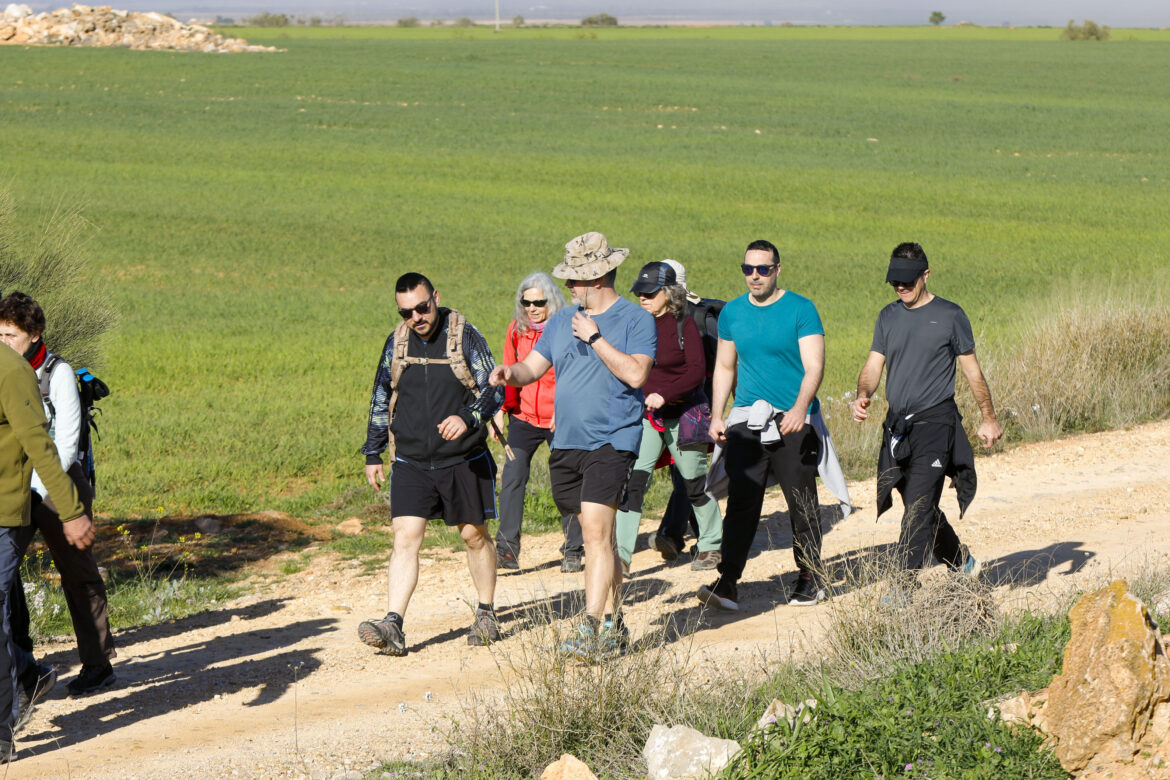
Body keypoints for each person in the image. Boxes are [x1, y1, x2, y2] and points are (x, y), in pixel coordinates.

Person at [490, 232, 655, 657]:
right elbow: (532, 367)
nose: (568, 289)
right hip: (567, 445)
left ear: (597, 278)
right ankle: (615, 621)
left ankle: (589, 626)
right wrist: (509, 373)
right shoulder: (562, 323)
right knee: (599, 538)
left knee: (597, 536)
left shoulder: (636, 320)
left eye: (574, 281)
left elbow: (637, 376)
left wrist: (597, 338)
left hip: (613, 440)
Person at [357, 273, 504, 657]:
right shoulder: (398, 342)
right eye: (406, 312)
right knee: (405, 538)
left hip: (462, 458)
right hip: (411, 459)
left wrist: (469, 417)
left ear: (436, 297)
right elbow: (380, 395)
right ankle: (393, 623)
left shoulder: (464, 336)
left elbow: (495, 387)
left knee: (473, 536)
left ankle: (486, 612)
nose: (417, 317)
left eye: (423, 307)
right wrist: (373, 452)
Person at [850, 242, 1003, 578]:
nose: (901, 287)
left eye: (908, 281)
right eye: (895, 282)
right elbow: (874, 364)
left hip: (937, 422)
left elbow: (972, 371)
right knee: (920, 505)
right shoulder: (888, 317)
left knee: (917, 506)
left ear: (926, 275)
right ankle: (963, 563)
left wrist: (988, 418)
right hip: (899, 428)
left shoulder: (950, 316)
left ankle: (903, 584)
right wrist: (864, 394)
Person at [700, 239, 828, 612]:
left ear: (777, 270)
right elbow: (725, 367)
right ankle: (727, 581)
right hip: (748, 419)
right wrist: (717, 414)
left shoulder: (801, 310)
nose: (754, 276)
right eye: (748, 269)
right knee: (742, 501)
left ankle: (810, 575)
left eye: (763, 269)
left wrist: (799, 409)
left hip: (793, 420)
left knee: (800, 499)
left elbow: (814, 366)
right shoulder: (733, 313)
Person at [0, 292, 116, 704]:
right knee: (7, 581)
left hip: (56, 488)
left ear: (35, 334)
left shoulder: (58, 373)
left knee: (78, 574)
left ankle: (98, 663)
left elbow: (65, 445)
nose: (4, 341)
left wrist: (41, 490)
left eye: (11, 335)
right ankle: (23, 668)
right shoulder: (6, 371)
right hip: (18, 487)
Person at [615, 261, 722, 573]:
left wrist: (666, 393)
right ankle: (620, 556)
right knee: (634, 482)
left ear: (668, 293)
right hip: (648, 416)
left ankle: (711, 545)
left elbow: (696, 372)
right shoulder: (636, 325)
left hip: (685, 413)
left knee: (693, 483)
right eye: (640, 293)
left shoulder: (684, 324)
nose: (643, 298)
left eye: (650, 293)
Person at [491, 272, 584, 573]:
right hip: (525, 417)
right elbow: (509, 370)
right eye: (526, 302)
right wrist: (501, 410)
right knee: (513, 477)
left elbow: (573, 374)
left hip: (560, 418)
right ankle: (506, 550)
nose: (531, 308)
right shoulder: (516, 331)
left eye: (538, 302)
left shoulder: (565, 329)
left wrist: (564, 408)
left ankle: (573, 548)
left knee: (565, 483)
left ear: (551, 301)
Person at [651, 259, 718, 561]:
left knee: (687, 474)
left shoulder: (691, 317)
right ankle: (690, 535)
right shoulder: (703, 314)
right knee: (687, 473)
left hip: (691, 405)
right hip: (688, 403)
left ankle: (679, 535)